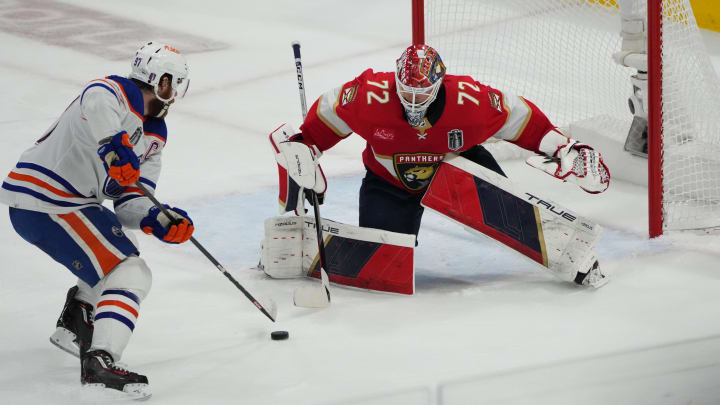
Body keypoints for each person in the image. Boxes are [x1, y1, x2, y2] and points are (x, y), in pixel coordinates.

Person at [277, 44, 610, 284]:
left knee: (508, 211)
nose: (412, 101)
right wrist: (307, 145)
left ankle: (578, 259)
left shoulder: (470, 102)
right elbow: (332, 108)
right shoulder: (370, 96)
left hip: (457, 163)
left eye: (422, 94)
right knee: (383, 263)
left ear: (439, 84)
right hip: (389, 181)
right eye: (406, 91)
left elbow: (518, 116)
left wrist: (563, 147)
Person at [0, 41, 194, 398]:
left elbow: (128, 201)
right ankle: (100, 361)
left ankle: (78, 319)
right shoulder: (115, 91)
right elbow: (95, 98)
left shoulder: (154, 136)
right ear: (162, 81)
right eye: (175, 82)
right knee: (131, 272)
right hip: (50, 202)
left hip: (60, 204)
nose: (176, 92)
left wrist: (156, 218)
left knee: (123, 242)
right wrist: (111, 143)